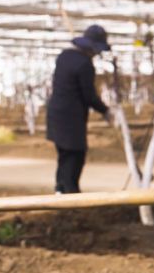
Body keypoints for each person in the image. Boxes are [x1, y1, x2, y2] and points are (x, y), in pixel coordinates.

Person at [46, 24, 111, 194]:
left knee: (64, 155)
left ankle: (60, 188)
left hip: (56, 114)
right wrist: (105, 111)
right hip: (71, 119)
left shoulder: (64, 56)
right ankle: (70, 192)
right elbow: (88, 95)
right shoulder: (85, 65)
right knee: (75, 155)